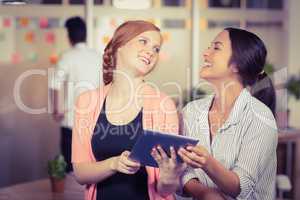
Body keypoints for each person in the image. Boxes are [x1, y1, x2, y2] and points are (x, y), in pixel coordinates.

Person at [72, 20, 186, 200]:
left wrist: (169, 177)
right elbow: (80, 173)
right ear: (119, 45)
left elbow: (165, 190)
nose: (151, 51)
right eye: (143, 41)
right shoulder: (87, 102)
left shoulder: (164, 104)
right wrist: (113, 164)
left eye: (156, 48)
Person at [177, 28, 278, 200]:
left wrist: (207, 162)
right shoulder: (191, 111)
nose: (205, 53)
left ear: (237, 64)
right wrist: (203, 192)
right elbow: (183, 171)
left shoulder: (260, 117)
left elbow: (242, 186)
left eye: (216, 48)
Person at [49, 16, 102, 172]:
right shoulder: (98, 57)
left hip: (71, 123)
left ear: (69, 36)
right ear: (85, 35)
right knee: (92, 167)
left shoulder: (67, 56)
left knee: (71, 168)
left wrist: (56, 110)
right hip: (94, 123)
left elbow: (54, 84)